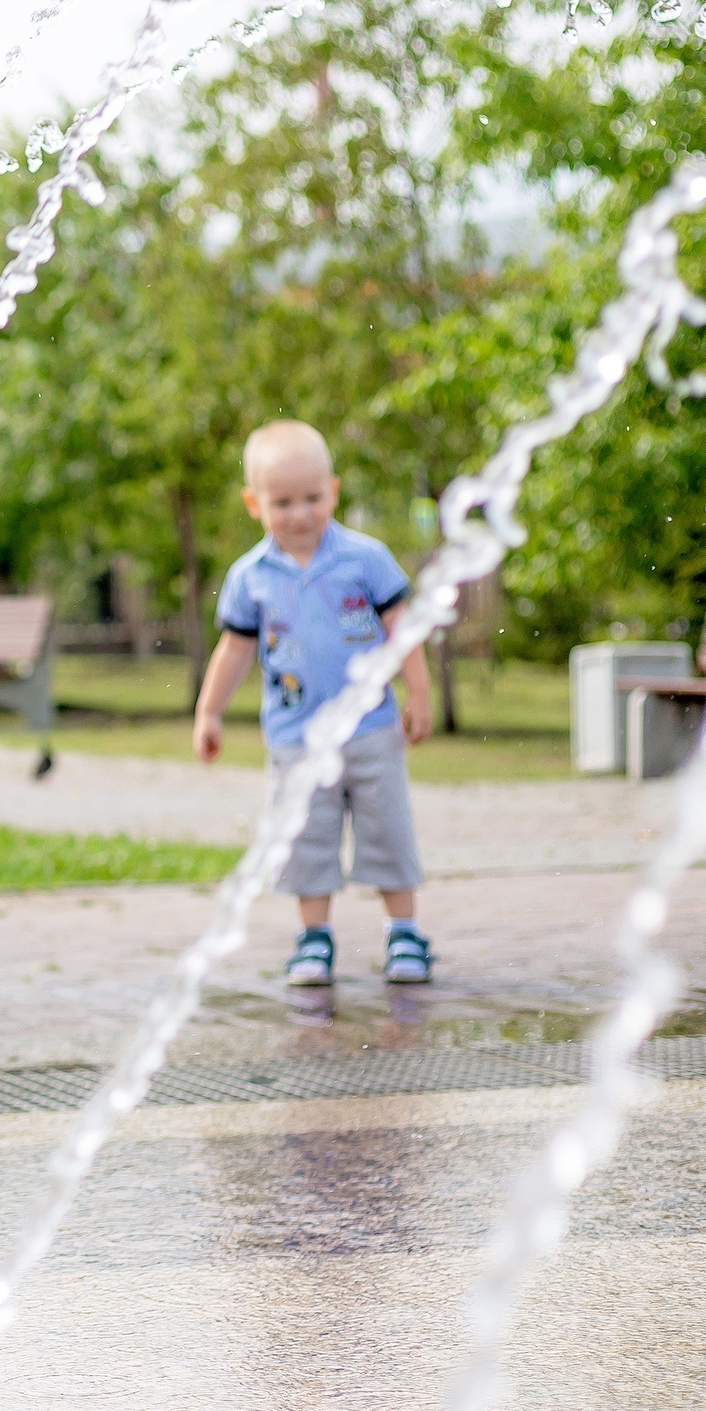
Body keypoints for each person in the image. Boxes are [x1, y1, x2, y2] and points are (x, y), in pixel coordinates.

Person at [193, 420, 433, 994]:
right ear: (254, 504)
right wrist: (209, 712)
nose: (299, 514)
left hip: (370, 728)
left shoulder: (365, 558)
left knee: (387, 829)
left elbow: (403, 627)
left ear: (334, 491)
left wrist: (420, 692)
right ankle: (314, 937)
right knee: (305, 838)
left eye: (312, 498)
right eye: (282, 503)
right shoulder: (250, 577)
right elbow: (235, 649)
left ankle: (404, 930)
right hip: (296, 737)